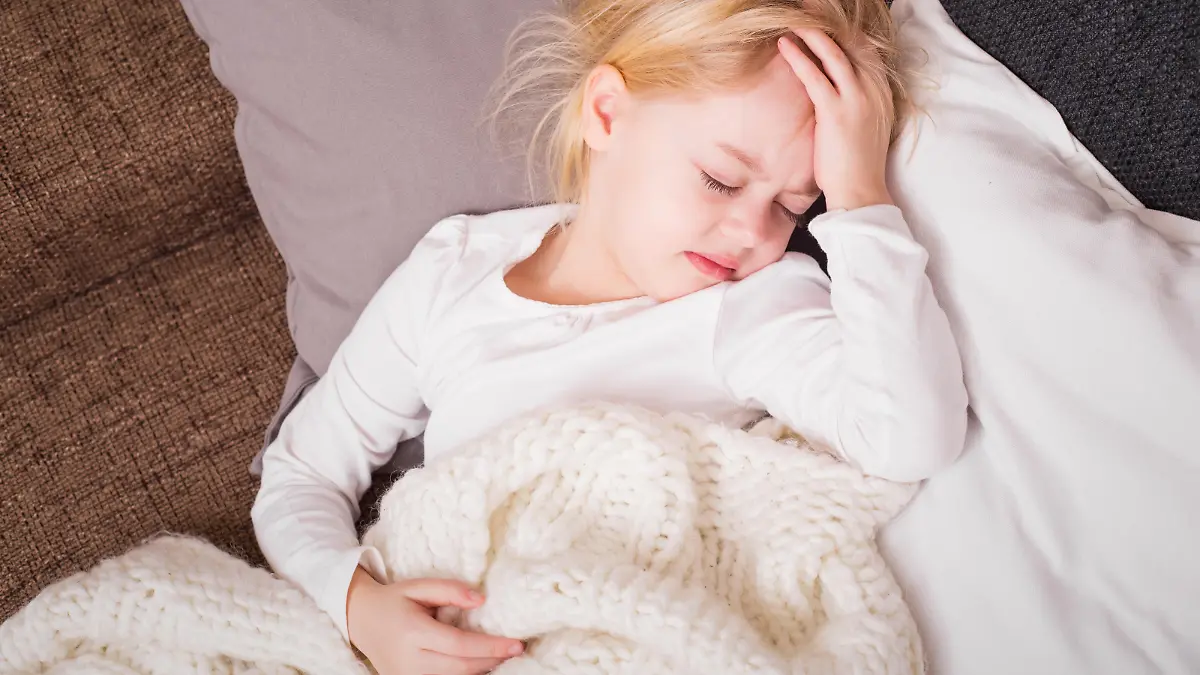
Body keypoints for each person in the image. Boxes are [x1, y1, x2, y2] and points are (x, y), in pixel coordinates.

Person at [252, 0, 969, 672]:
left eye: (791, 205)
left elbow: (909, 438)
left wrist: (860, 201)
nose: (754, 231)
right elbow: (303, 473)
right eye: (721, 180)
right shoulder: (451, 276)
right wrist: (355, 604)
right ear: (606, 113)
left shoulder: (755, 304)